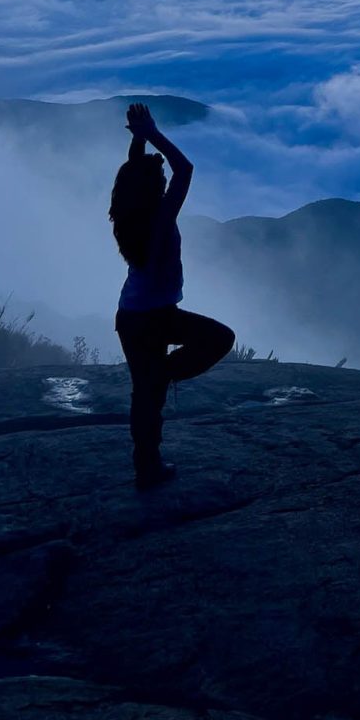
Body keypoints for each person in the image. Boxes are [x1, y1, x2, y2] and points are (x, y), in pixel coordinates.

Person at [110, 101, 234, 489]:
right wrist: (154, 135)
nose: (165, 183)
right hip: (155, 318)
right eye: (158, 182)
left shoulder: (129, 216)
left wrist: (139, 143)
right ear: (154, 193)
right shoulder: (160, 223)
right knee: (219, 339)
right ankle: (160, 385)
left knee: (145, 393)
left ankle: (146, 466)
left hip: (132, 317)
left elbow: (135, 177)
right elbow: (185, 169)